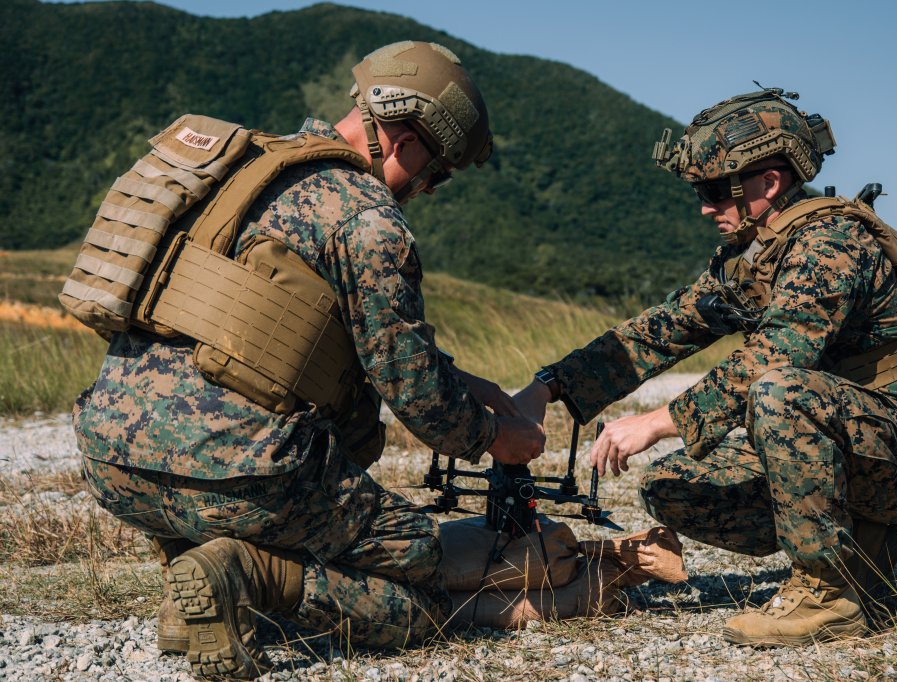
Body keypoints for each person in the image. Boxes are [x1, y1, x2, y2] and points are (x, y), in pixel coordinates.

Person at [73, 41, 544, 679]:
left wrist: (463, 378)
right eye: (439, 171)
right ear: (405, 138)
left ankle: (197, 582)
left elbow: (283, 326)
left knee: (247, 495)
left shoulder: (245, 171)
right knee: (421, 576)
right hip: (241, 474)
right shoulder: (368, 220)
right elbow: (417, 397)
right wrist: (496, 437)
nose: (431, 189)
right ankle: (248, 573)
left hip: (111, 463)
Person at [515, 87, 897, 647]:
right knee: (673, 484)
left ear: (769, 182)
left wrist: (658, 422)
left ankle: (829, 596)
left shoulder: (831, 243)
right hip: (853, 436)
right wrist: (548, 387)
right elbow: (663, 329)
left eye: (713, 190)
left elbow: (777, 357)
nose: (706, 207)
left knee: (779, 392)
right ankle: (861, 549)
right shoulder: (754, 257)